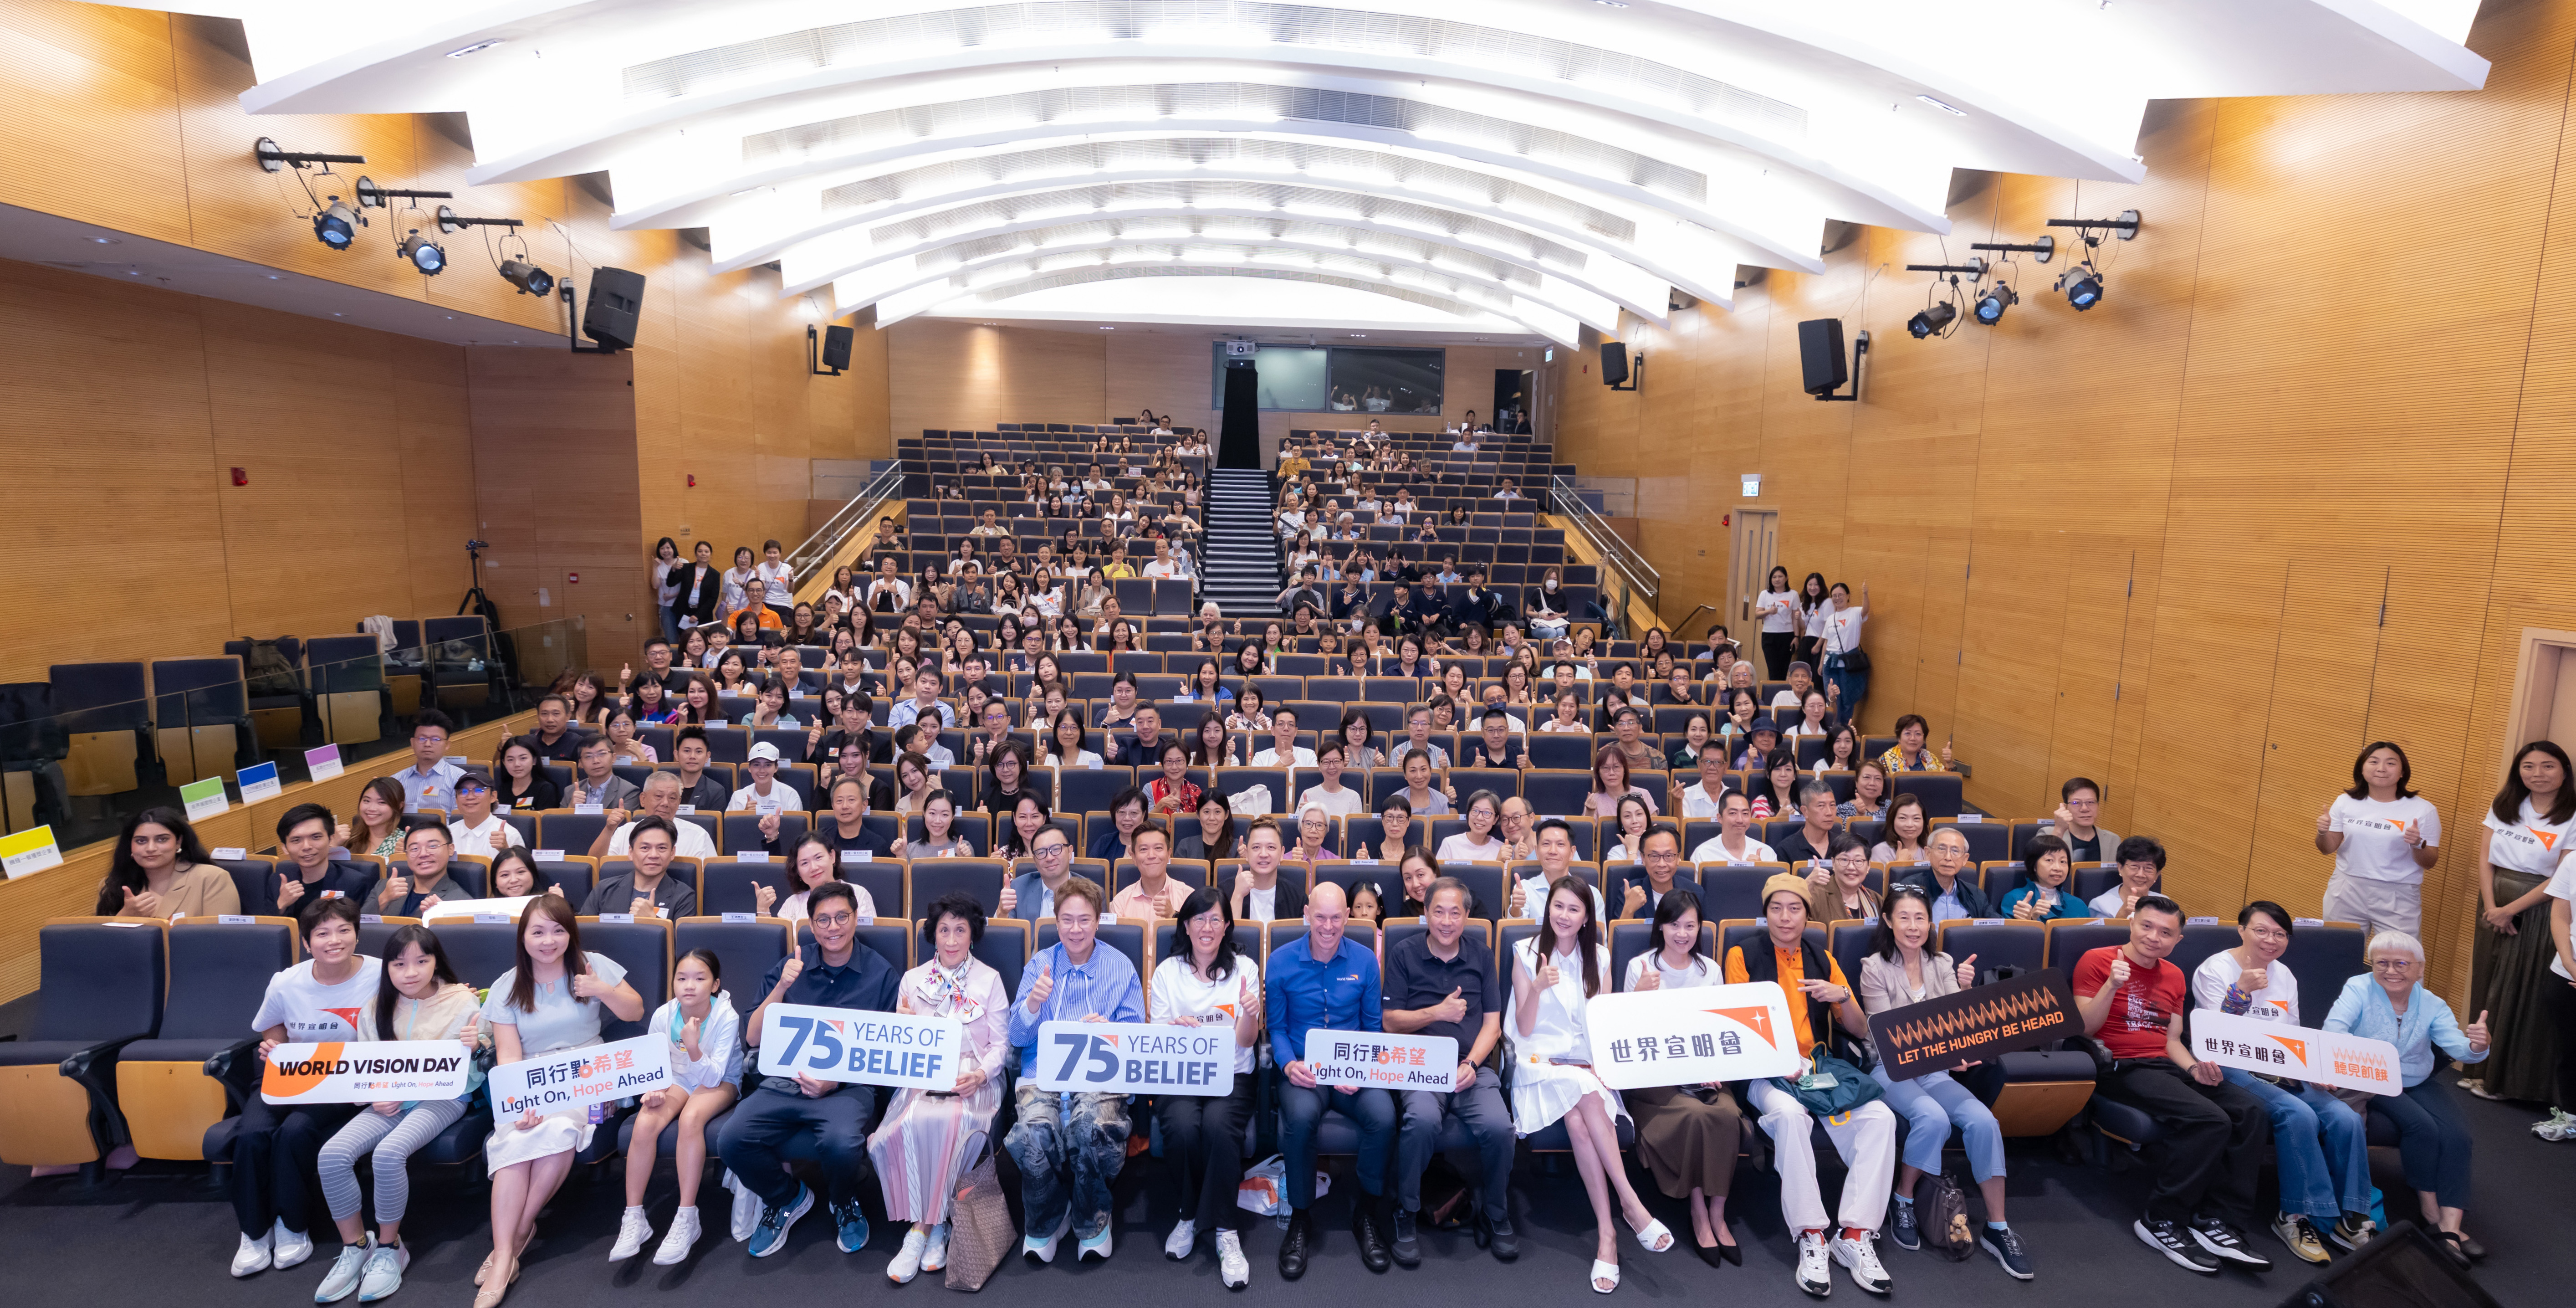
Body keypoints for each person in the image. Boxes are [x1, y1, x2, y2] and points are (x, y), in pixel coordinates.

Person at [2075, 894, 2272, 1275]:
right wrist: (2111, 986)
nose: (2154, 937)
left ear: (2178, 939)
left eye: (2166, 932)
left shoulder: (2174, 975)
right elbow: (2084, 1029)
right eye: (2146, 926)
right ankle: (2161, 1218)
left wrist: (2195, 1068)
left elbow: (2171, 1040)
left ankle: (2218, 1220)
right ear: (2131, 923)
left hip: (2165, 1064)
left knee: (2251, 1111)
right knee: (2211, 1119)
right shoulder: (2098, 960)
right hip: (2121, 1065)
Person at [1724, 875, 1899, 1296]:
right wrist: (1778, 1061)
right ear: (1765, 913)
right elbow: (1737, 1026)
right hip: (1766, 1070)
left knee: (1881, 1117)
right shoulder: (1742, 955)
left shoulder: (1822, 958)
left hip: (1818, 1066)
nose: (1786, 917)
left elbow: (1859, 1029)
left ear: (1808, 914)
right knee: (1789, 1116)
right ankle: (1811, 1233)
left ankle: (1855, 1235)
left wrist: (1841, 996)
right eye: (1776, 908)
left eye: (1795, 908)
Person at [721, 881, 903, 1260]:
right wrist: (782, 987)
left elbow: (886, 1051)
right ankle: (787, 1196)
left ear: (856, 918)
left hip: (847, 1086)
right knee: (732, 1140)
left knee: (841, 1143)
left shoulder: (881, 973)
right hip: (783, 1081)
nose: (833, 927)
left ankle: (843, 1200)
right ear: (811, 924)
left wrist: (835, 1079)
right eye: (823, 919)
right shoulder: (792, 964)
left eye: (842, 917)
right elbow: (753, 1037)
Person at [477, 898, 644, 1305]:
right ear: (523, 937)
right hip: (531, 1078)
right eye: (538, 931)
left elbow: (635, 1010)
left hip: (587, 1074)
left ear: (571, 933)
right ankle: (505, 1254)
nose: (549, 940)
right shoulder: (507, 984)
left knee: (560, 1131)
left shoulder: (593, 964)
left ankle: (515, 1236)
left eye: (558, 930)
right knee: (516, 1142)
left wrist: (602, 990)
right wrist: (520, 1102)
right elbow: (508, 1055)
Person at [2188, 903, 2377, 1262]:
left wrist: (2312, 1069)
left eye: (2280, 934)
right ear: (2242, 930)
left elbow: (2293, 1036)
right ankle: (2295, 1215)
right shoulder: (2215, 968)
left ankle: (2352, 1216)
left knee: (2345, 1117)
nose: (2271, 940)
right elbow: (2211, 1037)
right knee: (2298, 1114)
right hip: (2232, 1065)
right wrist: (2239, 992)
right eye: (2261, 930)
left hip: (2280, 1065)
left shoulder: (2285, 975)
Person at [1510, 876, 1670, 1293]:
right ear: (1549, 910)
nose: (1563, 915)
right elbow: (1524, 1028)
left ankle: (1608, 1234)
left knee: (1581, 1121)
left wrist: (1601, 1062)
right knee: (1581, 1092)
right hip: (1539, 1064)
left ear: (1586, 918)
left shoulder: (1598, 955)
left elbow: (1605, 1023)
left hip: (1586, 1063)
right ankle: (1631, 1203)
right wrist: (1538, 988)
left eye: (1573, 910)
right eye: (1558, 906)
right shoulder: (1525, 953)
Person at [1857, 886, 2027, 1276]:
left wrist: (1965, 996)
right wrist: (1945, 1050)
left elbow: (1959, 1017)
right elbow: (1888, 1034)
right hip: (1891, 1067)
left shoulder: (1943, 962)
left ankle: (1998, 1227)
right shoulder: (1874, 967)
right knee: (1932, 1117)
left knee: (1984, 1121)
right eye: (1904, 917)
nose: (1913, 926)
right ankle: (1903, 1199)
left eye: (1920, 918)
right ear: (1888, 921)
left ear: (1930, 922)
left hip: (1934, 1069)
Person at [309, 924, 483, 1301]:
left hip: (441, 1098)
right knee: (332, 1154)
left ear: (437, 962)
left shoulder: (462, 1001)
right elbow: (367, 1068)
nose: (411, 972)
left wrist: (476, 1045)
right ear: (387, 967)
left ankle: (389, 1248)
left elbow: (473, 1072)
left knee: (389, 1154)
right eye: (400, 963)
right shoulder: (374, 1007)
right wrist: (375, 1094)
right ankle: (356, 1246)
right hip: (390, 1101)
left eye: (422, 961)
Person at [228, 898, 381, 1278]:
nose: (335, 940)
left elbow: (426, 994)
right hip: (292, 1075)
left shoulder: (380, 973)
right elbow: (272, 1026)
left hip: (345, 1081)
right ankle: (253, 1232)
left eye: (344, 930)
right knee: (250, 1134)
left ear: (357, 933)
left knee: (296, 1130)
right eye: (323, 933)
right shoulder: (287, 980)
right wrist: (274, 1048)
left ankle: (292, 1226)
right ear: (307, 941)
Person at [2325, 930, 2491, 1267]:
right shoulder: (2359, 988)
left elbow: (2458, 1048)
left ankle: (2452, 1225)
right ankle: (2431, 1214)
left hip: (2418, 1078)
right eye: (2382, 963)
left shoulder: (2432, 1003)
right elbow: (2334, 1030)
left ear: (2419, 968)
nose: (2392, 970)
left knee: (2459, 1136)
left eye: (2402, 963)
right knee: (2423, 1127)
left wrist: (2477, 1045)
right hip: (2374, 1078)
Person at [873, 894, 1014, 1284]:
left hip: (974, 1074)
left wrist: (982, 1075)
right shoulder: (913, 979)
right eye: (944, 930)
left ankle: (921, 1228)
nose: (952, 939)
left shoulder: (989, 980)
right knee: (915, 1119)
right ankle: (932, 1226)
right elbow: (901, 1046)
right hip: (924, 1073)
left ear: (973, 935)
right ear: (933, 935)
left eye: (961, 929)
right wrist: (902, 1027)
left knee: (951, 1118)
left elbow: (1001, 1046)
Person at [1005, 876, 1143, 1264]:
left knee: (1091, 1128)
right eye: (1067, 920)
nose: (1076, 929)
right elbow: (1016, 1036)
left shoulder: (1120, 967)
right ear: (1056, 920)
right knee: (1028, 1135)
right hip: (1043, 1075)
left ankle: (1092, 1217)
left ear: (1098, 921)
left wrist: (1111, 1033)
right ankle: (1048, 1216)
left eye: (1085, 920)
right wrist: (1032, 1004)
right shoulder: (1041, 964)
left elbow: (1136, 1040)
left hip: (1100, 1077)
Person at [1382, 877, 1517, 1265]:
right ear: (1424, 913)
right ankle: (1406, 1211)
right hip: (1420, 1064)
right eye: (1437, 911)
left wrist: (1473, 1063)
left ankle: (1495, 1212)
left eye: (1455, 912)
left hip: (1469, 1065)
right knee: (1421, 1121)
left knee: (1499, 1128)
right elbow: (1390, 1022)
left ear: (1467, 915)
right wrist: (1437, 1012)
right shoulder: (1404, 953)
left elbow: (1493, 1024)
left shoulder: (1480, 955)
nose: (1446, 920)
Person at [1268, 882, 1396, 1278]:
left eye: (1336, 917)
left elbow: (1374, 1029)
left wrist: (1360, 1070)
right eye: (1320, 917)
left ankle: (1368, 1213)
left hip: (1352, 1069)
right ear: (1307, 914)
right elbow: (1275, 1028)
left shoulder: (1365, 960)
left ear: (1348, 917)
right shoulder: (1280, 960)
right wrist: (1289, 1066)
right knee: (1302, 1120)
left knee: (1384, 1116)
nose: (1328, 926)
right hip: (1304, 1069)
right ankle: (1301, 1217)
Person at [1619, 890, 1744, 1266]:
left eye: (1690, 925)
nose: (1682, 933)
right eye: (1675, 924)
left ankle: (1718, 1212)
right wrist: (1638, 997)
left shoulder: (1710, 970)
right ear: (1661, 925)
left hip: (1703, 1072)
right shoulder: (1640, 966)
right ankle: (1697, 1210)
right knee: (1694, 1116)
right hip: (1654, 1075)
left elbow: (1720, 1029)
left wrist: (1713, 1069)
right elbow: (1624, 1035)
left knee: (1725, 1115)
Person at [1151, 887, 1266, 1287]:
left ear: (1228, 926)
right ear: (1186, 925)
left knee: (1219, 1128)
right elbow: (1157, 1034)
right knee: (1182, 1128)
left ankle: (1225, 1230)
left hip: (1231, 1074)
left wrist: (1251, 1015)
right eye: (1199, 918)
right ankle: (1187, 1214)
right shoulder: (1167, 971)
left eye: (1216, 919)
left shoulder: (1245, 969)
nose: (1207, 926)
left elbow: (1248, 1041)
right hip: (1179, 1073)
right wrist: (1173, 1029)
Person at [610, 949, 742, 1265]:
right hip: (677, 1078)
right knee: (644, 1122)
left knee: (691, 1117)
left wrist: (693, 1046)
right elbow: (652, 1064)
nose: (689, 985)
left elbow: (713, 1074)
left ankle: (687, 1216)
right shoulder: (664, 1015)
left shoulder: (727, 1016)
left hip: (719, 1080)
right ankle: (634, 1217)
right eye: (682, 978)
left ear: (715, 984)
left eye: (700, 978)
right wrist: (652, 1089)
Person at [2468, 739, 2572, 1109]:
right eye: (2529, 766)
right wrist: (2494, 906)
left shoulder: (2572, 814)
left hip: (2540, 908)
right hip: (2493, 903)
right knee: (2488, 978)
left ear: (2563, 772)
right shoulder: (2506, 804)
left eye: (2548, 766)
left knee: (2518, 990)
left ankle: (2508, 1080)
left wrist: (2512, 909)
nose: (2538, 774)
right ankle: (2480, 1065)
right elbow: (2484, 858)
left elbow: (2564, 876)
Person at [2308, 742, 2441, 939]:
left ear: (2403, 771)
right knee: (2337, 955)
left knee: (2399, 958)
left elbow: (2429, 862)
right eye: (2374, 762)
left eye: (2391, 763)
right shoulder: (2345, 802)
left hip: (2397, 894)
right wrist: (2322, 832)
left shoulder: (2423, 810)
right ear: (2362, 769)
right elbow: (2327, 848)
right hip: (2347, 889)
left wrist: (2417, 844)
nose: (2381, 768)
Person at [268, 803, 377, 913]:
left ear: (331, 840)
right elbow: (263, 928)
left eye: (316, 837)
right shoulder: (278, 881)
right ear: (285, 848)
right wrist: (281, 905)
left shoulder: (355, 883)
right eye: (296, 840)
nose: (307, 847)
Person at [581, 816, 698, 918]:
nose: (653, 855)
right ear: (631, 853)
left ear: (672, 853)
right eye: (645, 848)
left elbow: (682, 942)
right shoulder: (604, 890)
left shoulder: (684, 896)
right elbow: (583, 933)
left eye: (662, 848)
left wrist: (653, 920)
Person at [593, 773, 720, 860]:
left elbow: (707, 880)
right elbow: (599, 867)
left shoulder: (698, 835)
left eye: (672, 798)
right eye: (659, 796)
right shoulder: (624, 832)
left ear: (679, 803)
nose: (665, 803)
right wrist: (609, 830)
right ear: (643, 799)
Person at [1893, 826, 1995, 922]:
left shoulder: (1975, 894)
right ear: (1928, 853)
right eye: (1942, 849)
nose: (1948, 857)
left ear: (1965, 859)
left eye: (1955, 851)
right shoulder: (1910, 888)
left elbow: (1996, 928)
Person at [374, 820, 470, 918]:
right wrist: (384, 899)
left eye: (433, 846)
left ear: (450, 850)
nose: (423, 854)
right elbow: (360, 927)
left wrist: (442, 917)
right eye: (415, 848)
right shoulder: (383, 888)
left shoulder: (460, 902)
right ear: (406, 854)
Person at [1225, 819, 1309, 922]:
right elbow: (1225, 936)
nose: (1264, 854)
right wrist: (1238, 895)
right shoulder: (1225, 892)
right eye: (1256, 847)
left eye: (1271, 847)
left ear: (1282, 854)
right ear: (1246, 853)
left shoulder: (1298, 899)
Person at [1108, 821, 1193, 920]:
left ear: (1169, 854)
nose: (1151, 856)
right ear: (1134, 857)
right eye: (1144, 849)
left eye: (1158, 848)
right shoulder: (1121, 903)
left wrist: (1174, 916)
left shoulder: (1188, 897)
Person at [1999, 834, 2091, 921]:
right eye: (2050, 860)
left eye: (2063, 862)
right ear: (2034, 866)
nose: (2058, 868)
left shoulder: (2079, 905)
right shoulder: (2015, 900)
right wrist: (2030, 920)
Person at [390, 711, 464, 813]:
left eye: (436, 739)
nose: (428, 744)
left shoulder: (460, 779)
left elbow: (461, 821)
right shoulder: (396, 781)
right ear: (412, 743)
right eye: (422, 738)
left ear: (447, 745)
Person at [444, 770, 524, 860]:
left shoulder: (510, 835)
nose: (470, 797)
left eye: (479, 790)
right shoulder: (447, 835)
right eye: (463, 792)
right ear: (456, 800)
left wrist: (505, 851)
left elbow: (522, 872)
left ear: (493, 796)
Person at [1804, 831, 1881, 923]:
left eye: (1858, 861)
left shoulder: (1876, 900)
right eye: (1844, 860)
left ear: (1868, 865)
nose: (1851, 867)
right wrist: (1807, 885)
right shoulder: (1815, 896)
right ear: (1833, 863)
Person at [1688, 791, 1775, 865]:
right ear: (1720, 818)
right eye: (1733, 813)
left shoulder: (1767, 853)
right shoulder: (1703, 854)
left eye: (1745, 814)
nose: (1740, 820)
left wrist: (1762, 870)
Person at [2092, 836, 2169, 918]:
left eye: (2149, 868)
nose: (2141, 875)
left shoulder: (2164, 904)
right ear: (2120, 868)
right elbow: (2105, 931)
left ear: (2157, 874)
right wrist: (2123, 913)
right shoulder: (2101, 906)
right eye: (2134, 867)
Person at [2050, 777, 2120, 864]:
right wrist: (2059, 831)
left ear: (2098, 806)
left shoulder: (2113, 840)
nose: (2085, 809)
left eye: (2091, 802)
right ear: (2065, 807)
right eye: (2076, 803)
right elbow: (2043, 871)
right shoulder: (2049, 835)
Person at [1771, 777, 1840, 865]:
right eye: (1821, 806)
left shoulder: (1844, 846)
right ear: (1805, 812)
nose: (1829, 813)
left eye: (1832, 805)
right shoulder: (1786, 850)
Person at [566, 736, 640, 812]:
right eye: (589, 756)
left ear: (614, 758)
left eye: (602, 754)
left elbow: (628, 823)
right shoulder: (570, 791)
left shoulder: (629, 792)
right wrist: (571, 808)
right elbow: (560, 823)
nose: (596, 761)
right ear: (581, 763)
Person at [1754, 566, 1800, 681]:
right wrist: (1770, 611)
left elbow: (1796, 618)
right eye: (1774, 577)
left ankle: (1779, 695)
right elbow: (1757, 614)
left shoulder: (1793, 594)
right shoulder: (1765, 594)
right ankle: (1773, 696)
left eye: (1780, 576)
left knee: (1783, 671)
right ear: (1771, 579)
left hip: (1787, 636)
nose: (1777, 579)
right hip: (1769, 636)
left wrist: (1797, 636)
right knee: (1773, 670)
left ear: (1786, 578)